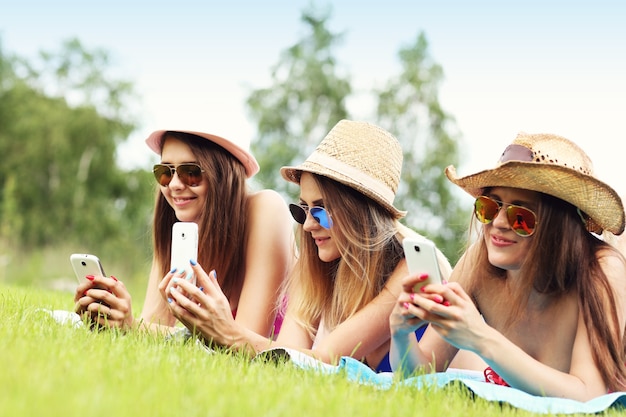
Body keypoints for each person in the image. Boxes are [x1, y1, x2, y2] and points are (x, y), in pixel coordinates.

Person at [162, 119, 452, 371]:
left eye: (321, 211)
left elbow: (324, 359)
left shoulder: (412, 267)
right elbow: (288, 356)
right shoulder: (317, 266)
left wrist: (228, 332)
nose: (308, 225)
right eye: (302, 210)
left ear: (359, 214)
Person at [389, 132, 626, 400]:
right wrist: (400, 333)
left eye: (520, 216)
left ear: (558, 227)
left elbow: (588, 396)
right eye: (489, 207)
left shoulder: (602, 269)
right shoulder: (479, 262)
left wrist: (480, 338)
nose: (498, 223)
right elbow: (420, 378)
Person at [73, 128, 295, 339]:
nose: (174, 185)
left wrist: (134, 327)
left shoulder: (265, 209)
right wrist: (119, 320)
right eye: (165, 172)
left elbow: (243, 341)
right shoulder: (177, 225)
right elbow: (155, 325)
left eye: (191, 172)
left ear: (223, 173)